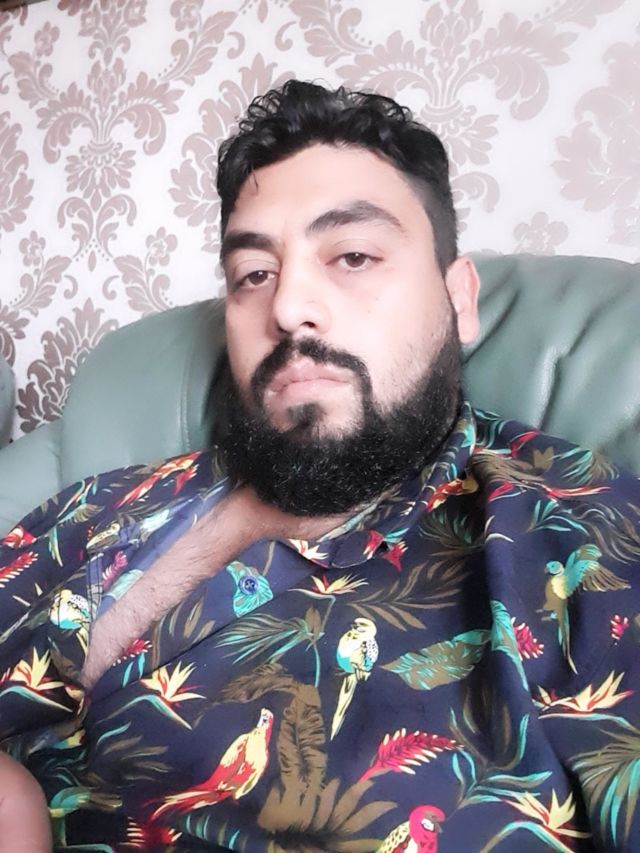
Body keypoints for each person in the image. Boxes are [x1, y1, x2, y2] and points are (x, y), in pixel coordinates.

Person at [0, 79, 639, 852]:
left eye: (353, 255)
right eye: (253, 274)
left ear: (459, 298)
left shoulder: (583, 540)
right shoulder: (94, 505)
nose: (287, 306)